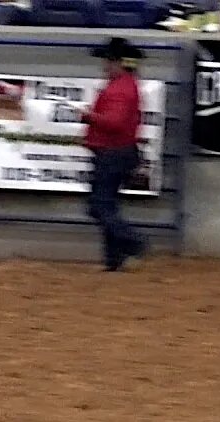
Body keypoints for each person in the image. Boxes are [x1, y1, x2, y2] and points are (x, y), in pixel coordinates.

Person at [79, 37, 148, 272]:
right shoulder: (127, 86)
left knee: (100, 205)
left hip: (113, 153)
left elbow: (114, 123)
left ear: (118, 63)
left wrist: (88, 116)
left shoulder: (119, 89)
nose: (105, 66)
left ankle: (132, 242)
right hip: (119, 152)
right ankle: (114, 258)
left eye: (108, 61)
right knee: (106, 205)